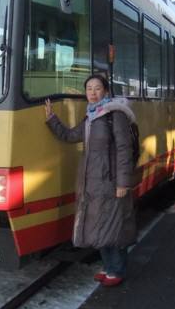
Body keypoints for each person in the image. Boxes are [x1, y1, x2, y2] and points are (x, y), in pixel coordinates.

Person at [44, 74, 136, 287]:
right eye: (89, 89)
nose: (92, 93)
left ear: (106, 91)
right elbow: (70, 136)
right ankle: (109, 266)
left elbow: (124, 150)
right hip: (93, 182)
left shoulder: (115, 115)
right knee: (99, 225)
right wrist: (51, 119)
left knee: (114, 226)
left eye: (97, 88)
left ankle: (118, 269)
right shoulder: (91, 117)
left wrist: (123, 182)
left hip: (111, 181)